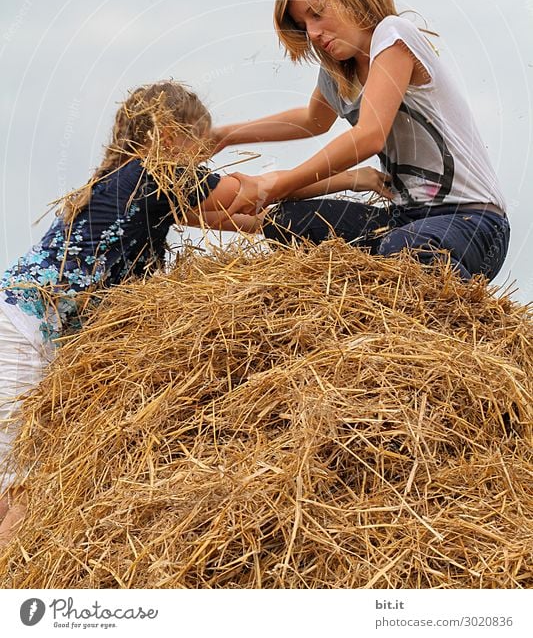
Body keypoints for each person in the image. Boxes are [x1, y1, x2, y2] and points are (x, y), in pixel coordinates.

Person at [0, 79, 386, 547]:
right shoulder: (152, 174)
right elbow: (256, 193)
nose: (205, 159)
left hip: (27, 334)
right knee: (18, 492)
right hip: (20, 333)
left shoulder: (134, 189)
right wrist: (350, 177)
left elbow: (250, 220)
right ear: (167, 136)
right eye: (200, 144)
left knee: (23, 483)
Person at [214, 0, 510, 281]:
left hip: (472, 221)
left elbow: (369, 135)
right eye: (303, 25)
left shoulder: (394, 34)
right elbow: (310, 120)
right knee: (287, 220)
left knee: (408, 250)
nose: (312, 33)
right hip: (405, 219)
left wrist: (279, 184)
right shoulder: (338, 74)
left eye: (318, 14)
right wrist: (225, 136)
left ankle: (451, 318)